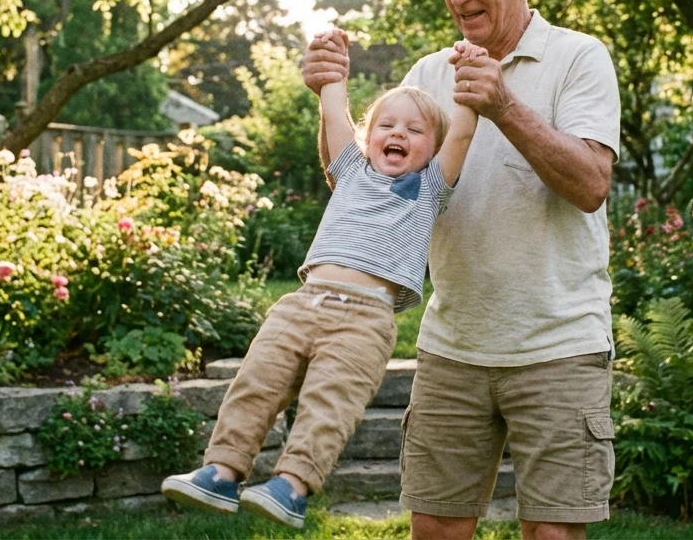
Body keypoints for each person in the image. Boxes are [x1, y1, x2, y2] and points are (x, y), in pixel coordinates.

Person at [302, 0, 621, 540]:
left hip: (559, 345)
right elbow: (360, 187)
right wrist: (328, 97)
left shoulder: (578, 58)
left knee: (553, 535)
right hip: (454, 346)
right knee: (436, 531)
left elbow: (590, 184)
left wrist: (502, 104)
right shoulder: (428, 74)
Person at [161, 41, 484, 528]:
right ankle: (221, 472)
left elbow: (462, 133)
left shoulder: (429, 187)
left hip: (364, 319)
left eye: (415, 130)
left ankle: (291, 487)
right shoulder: (352, 170)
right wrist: (333, 65)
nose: (398, 133)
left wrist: (469, 82)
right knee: (256, 383)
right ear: (368, 136)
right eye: (387, 126)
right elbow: (334, 111)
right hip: (301, 304)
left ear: (432, 149)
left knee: (329, 403)